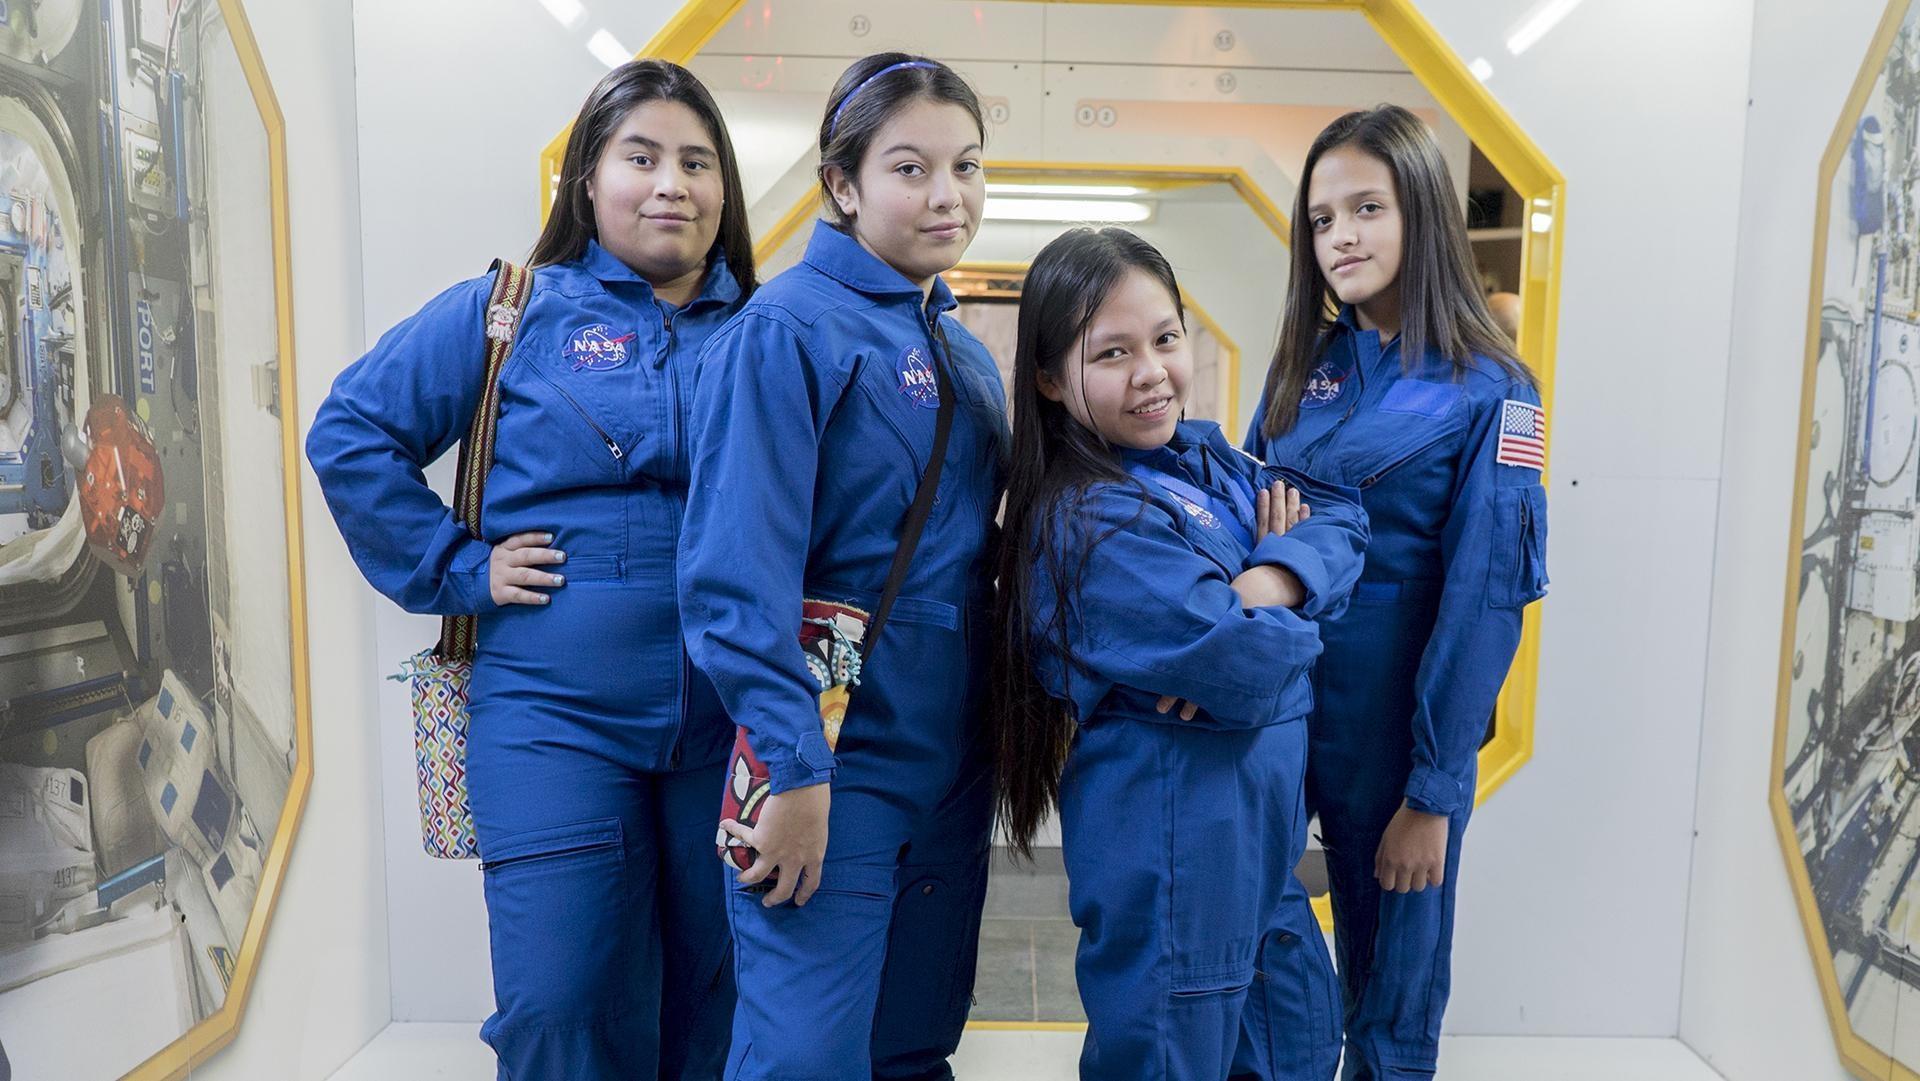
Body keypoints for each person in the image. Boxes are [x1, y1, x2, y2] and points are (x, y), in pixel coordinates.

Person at [306, 60, 754, 1081]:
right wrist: (454, 565)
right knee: (559, 998)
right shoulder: (509, 311)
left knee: (720, 997)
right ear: (589, 179)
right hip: (552, 719)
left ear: (725, 189)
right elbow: (351, 431)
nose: (670, 183)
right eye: (639, 157)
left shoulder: (769, 334)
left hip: (732, 723)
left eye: (696, 160)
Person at [676, 52, 1009, 1081]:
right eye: (911, 168)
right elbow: (736, 579)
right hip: (832, 755)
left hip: (949, 759)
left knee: (912, 1044)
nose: (947, 195)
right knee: (805, 1055)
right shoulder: (787, 330)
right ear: (844, 184)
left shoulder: (960, 347)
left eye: (967, 166)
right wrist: (796, 768)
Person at [988, 227, 1366, 1081]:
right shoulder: (1089, 517)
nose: (1151, 370)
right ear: (1050, 380)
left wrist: (1267, 582)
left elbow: (1344, 519)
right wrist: (1267, 622)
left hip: (1257, 843)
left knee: (1299, 1042)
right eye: (1112, 352)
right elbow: (1242, 664)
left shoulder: (1204, 458)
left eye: (1164, 338)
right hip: (1179, 850)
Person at [1245, 105, 1550, 1080]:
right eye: (1324, 219)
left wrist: (1435, 788)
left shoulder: (1495, 389)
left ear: (1421, 212)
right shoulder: (1306, 369)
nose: (1341, 237)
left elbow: (1487, 593)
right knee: (1246, 957)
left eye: (1366, 208)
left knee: (1390, 1002)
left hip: (1394, 740)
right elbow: (1244, 519)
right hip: (1276, 719)